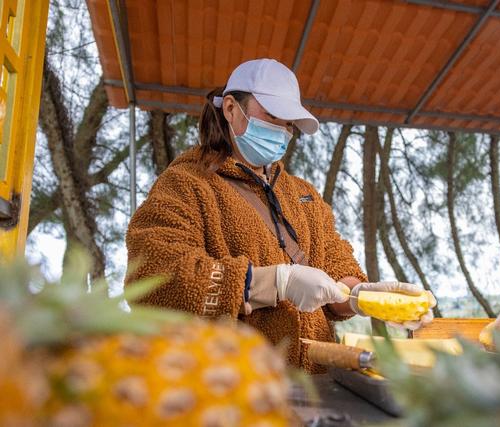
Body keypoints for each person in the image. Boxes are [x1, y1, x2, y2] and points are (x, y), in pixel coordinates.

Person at [126, 58, 433, 373]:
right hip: (233, 386)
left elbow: (337, 266)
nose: (283, 130)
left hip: (317, 385)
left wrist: (360, 296)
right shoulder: (187, 184)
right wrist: (273, 283)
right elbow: (153, 279)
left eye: (289, 123)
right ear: (231, 109)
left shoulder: (305, 195)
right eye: (273, 115)